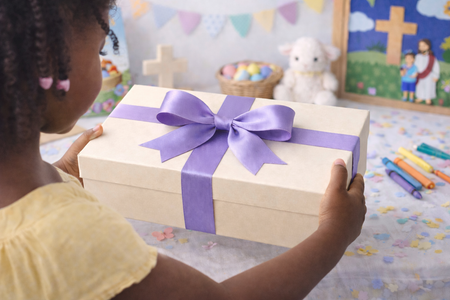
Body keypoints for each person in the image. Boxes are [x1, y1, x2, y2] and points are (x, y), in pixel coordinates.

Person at [0, 1, 366, 299]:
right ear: (49, 66)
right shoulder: (72, 236)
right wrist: (333, 233)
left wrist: (60, 174)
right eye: (99, 50)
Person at [415, 39, 440, 105]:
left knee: (428, 87)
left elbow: (436, 67)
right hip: (420, 75)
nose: (422, 47)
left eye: (424, 45)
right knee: (420, 86)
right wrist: (414, 72)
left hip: (429, 75)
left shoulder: (432, 58)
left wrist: (436, 76)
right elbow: (415, 65)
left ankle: (428, 99)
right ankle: (420, 97)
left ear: (428, 46)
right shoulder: (418, 57)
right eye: (420, 46)